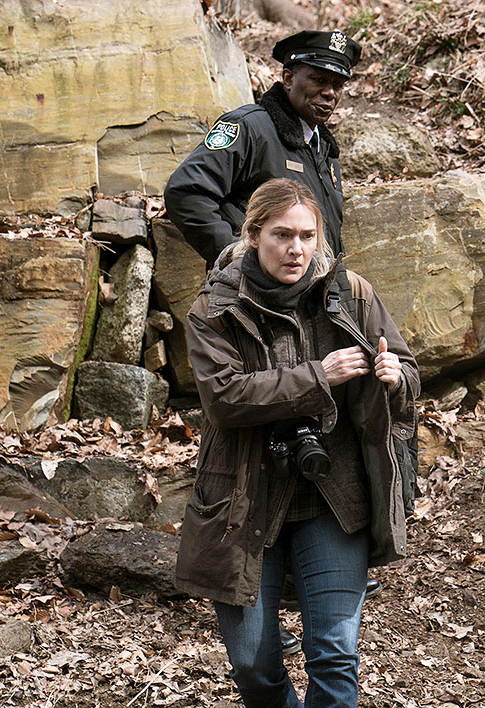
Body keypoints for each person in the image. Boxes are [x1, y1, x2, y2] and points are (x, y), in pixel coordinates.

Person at [175, 179, 419, 707]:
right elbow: (223, 398)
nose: (296, 249)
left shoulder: (352, 294)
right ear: (253, 235)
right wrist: (318, 376)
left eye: (307, 236)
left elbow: (409, 371)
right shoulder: (213, 307)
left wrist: (395, 376)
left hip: (334, 496)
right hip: (244, 499)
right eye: (282, 235)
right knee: (252, 663)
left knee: (334, 653)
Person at [164, 30, 362, 269]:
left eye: (338, 85)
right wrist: (238, 258)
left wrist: (339, 286)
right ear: (288, 79)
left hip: (316, 287)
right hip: (252, 289)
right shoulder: (249, 128)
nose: (330, 93)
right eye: (319, 80)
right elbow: (186, 191)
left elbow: (328, 240)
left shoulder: (325, 150)